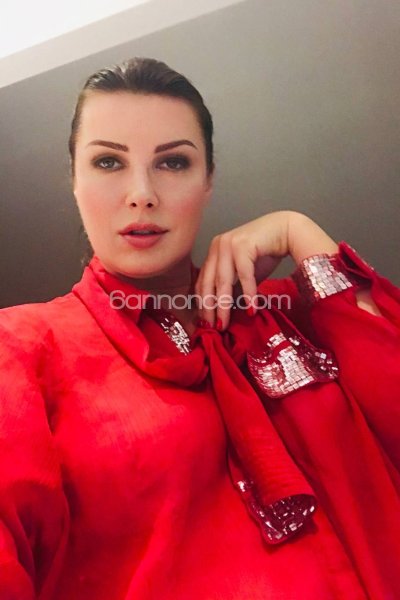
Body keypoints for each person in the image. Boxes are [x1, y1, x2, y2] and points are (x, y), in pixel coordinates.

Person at [0, 56, 400, 600]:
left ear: (208, 180)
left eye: (172, 162)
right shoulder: (24, 347)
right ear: (74, 180)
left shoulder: (287, 311)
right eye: (109, 162)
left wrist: (299, 231)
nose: (141, 192)